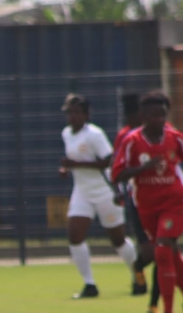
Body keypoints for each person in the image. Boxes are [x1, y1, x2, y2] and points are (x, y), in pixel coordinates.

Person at [112, 91, 183, 313]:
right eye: (154, 116)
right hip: (147, 207)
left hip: (174, 202)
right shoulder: (132, 141)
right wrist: (144, 168)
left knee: (162, 250)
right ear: (143, 116)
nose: (159, 120)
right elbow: (118, 174)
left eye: (162, 115)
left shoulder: (175, 138)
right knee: (171, 256)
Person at [59, 93, 137, 299]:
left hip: (105, 191)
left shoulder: (94, 134)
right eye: (69, 112)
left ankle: (137, 275)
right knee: (75, 236)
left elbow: (109, 161)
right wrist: (66, 169)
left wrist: (76, 165)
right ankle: (89, 284)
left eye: (77, 112)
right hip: (82, 191)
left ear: (86, 115)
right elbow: (72, 159)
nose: (72, 116)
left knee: (118, 240)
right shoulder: (66, 133)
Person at [113, 93, 159, 310]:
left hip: (164, 200)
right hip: (138, 200)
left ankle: (156, 304)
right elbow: (116, 168)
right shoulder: (126, 136)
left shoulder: (162, 133)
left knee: (163, 251)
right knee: (149, 254)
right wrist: (118, 191)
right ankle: (138, 270)